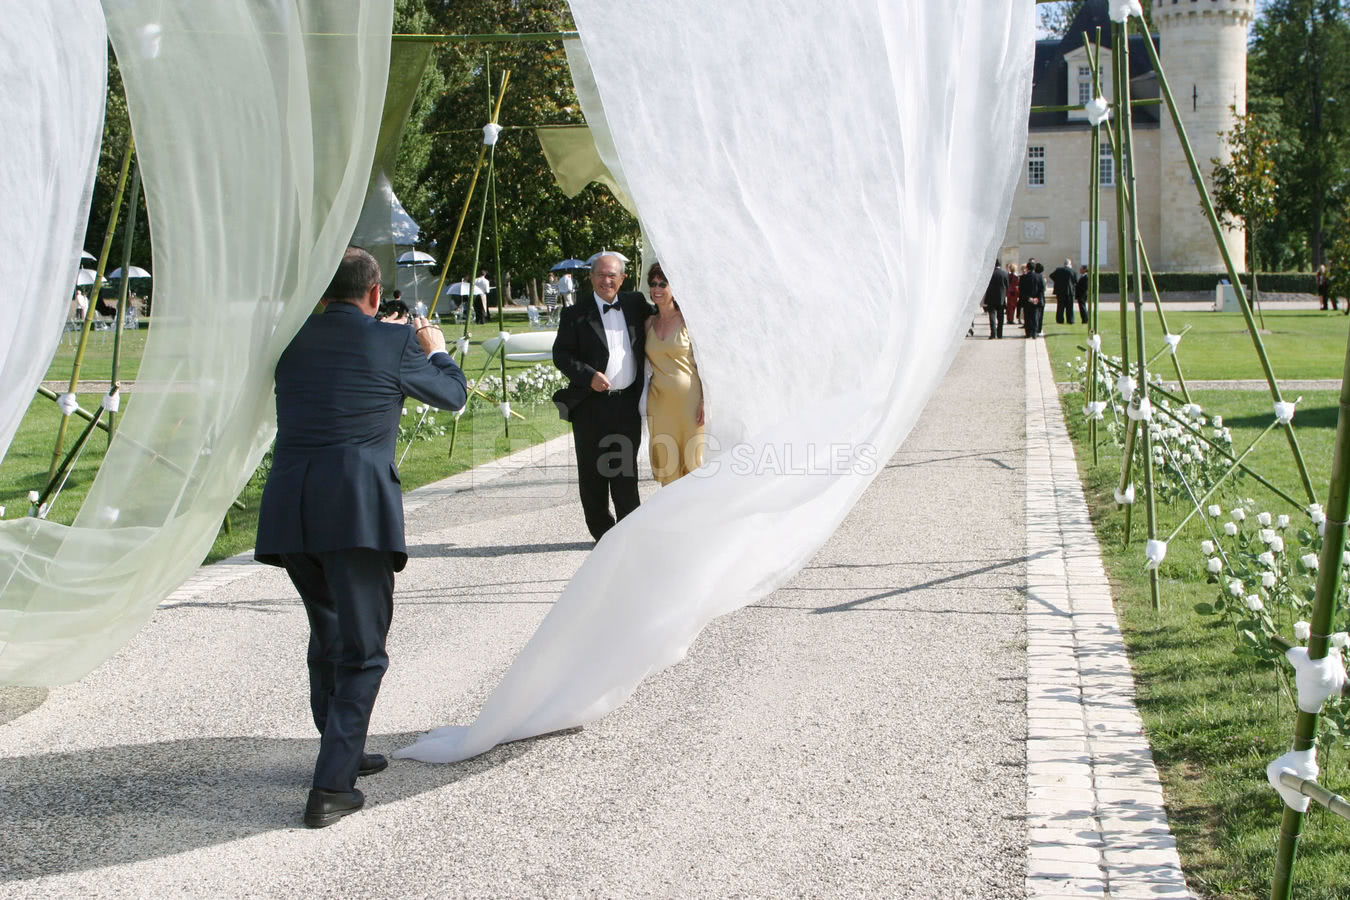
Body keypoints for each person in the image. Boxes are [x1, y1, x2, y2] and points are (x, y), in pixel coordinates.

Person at [254, 247, 466, 828]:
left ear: (324, 294)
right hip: (355, 515)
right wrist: (436, 348)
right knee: (365, 650)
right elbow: (453, 396)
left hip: (292, 511)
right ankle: (331, 786)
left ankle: (339, 748)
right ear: (376, 295)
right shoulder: (395, 342)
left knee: (327, 634)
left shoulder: (289, 342)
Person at [552, 252, 653, 540]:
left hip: (626, 404)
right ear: (591, 277)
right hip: (590, 406)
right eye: (600, 274)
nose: (605, 280)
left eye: (612, 275)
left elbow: (665, 315)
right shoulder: (575, 313)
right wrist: (588, 375)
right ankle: (603, 535)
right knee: (593, 474)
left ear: (622, 278)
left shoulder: (635, 305)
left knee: (625, 473)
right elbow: (561, 354)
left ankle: (629, 534)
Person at [644, 262, 705, 483]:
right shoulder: (648, 323)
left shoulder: (690, 321)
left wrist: (705, 401)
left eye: (663, 283)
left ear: (674, 287)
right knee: (667, 464)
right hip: (658, 403)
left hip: (690, 403)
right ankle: (671, 516)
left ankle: (696, 516)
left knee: (694, 463)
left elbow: (706, 365)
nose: (657, 289)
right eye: (653, 284)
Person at [982, 259, 1009, 340]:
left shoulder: (989, 274)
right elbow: (1007, 286)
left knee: (992, 316)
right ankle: (1000, 334)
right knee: (1000, 317)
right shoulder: (1004, 273)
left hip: (991, 297)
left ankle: (993, 334)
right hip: (1001, 298)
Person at [1021, 259, 1045, 338]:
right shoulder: (1039, 276)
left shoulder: (1023, 277)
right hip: (1036, 299)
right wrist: (1037, 298)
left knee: (1027, 317)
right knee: (1035, 316)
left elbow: (1022, 290)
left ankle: (1028, 333)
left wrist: (1028, 298)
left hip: (1027, 300)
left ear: (1027, 268)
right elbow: (1042, 289)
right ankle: (1034, 333)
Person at [1050, 258, 1077, 325]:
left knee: (1060, 307)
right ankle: (1070, 320)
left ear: (1064, 264)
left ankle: (1060, 320)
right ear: (1070, 264)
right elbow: (1075, 281)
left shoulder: (1058, 270)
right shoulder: (1073, 271)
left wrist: (1057, 281)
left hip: (1060, 291)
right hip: (1069, 291)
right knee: (1070, 307)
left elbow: (1051, 276)